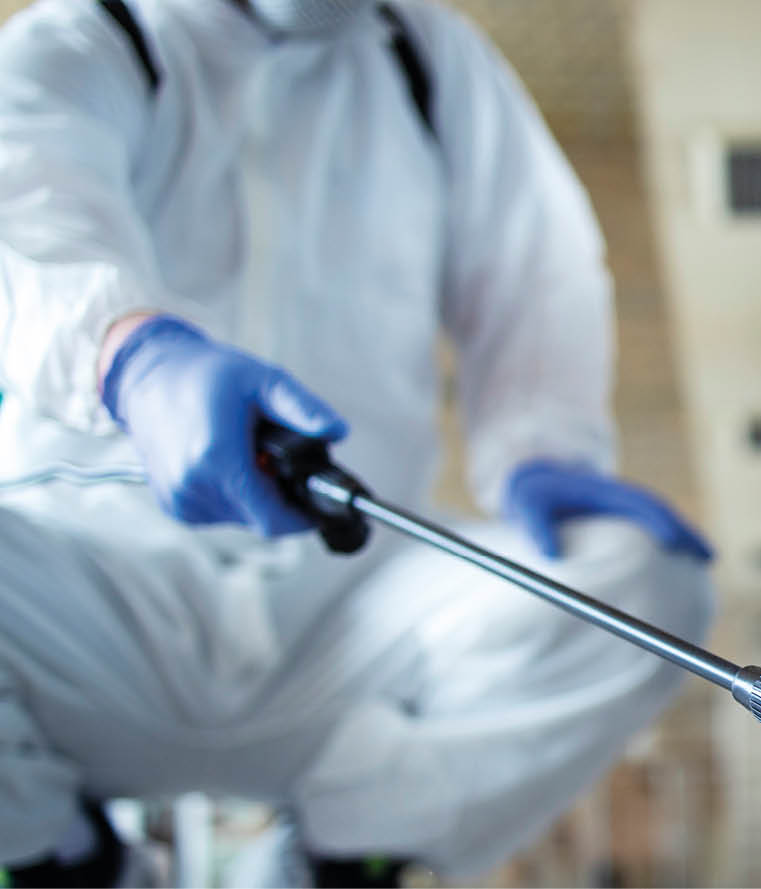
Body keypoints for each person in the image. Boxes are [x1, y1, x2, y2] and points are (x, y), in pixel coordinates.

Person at [0, 0, 715, 883]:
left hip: (350, 610)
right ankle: (58, 856)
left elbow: (537, 265)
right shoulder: (89, 35)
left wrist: (542, 444)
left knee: (639, 583)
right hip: (90, 603)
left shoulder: (429, 62)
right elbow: (24, 197)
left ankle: (350, 854)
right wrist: (131, 355)